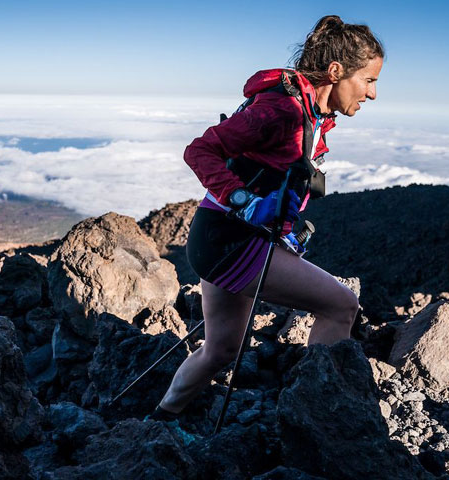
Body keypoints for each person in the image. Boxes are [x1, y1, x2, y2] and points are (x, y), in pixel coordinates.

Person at [150, 15, 385, 422]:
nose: (373, 93)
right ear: (336, 72)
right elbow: (199, 151)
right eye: (368, 80)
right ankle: (318, 420)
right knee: (341, 307)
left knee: (221, 349)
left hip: (218, 237)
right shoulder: (283, 110)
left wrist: (284, 229)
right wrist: (244, 201)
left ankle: (161, 418)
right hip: (233, 242)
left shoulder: (310, 115)